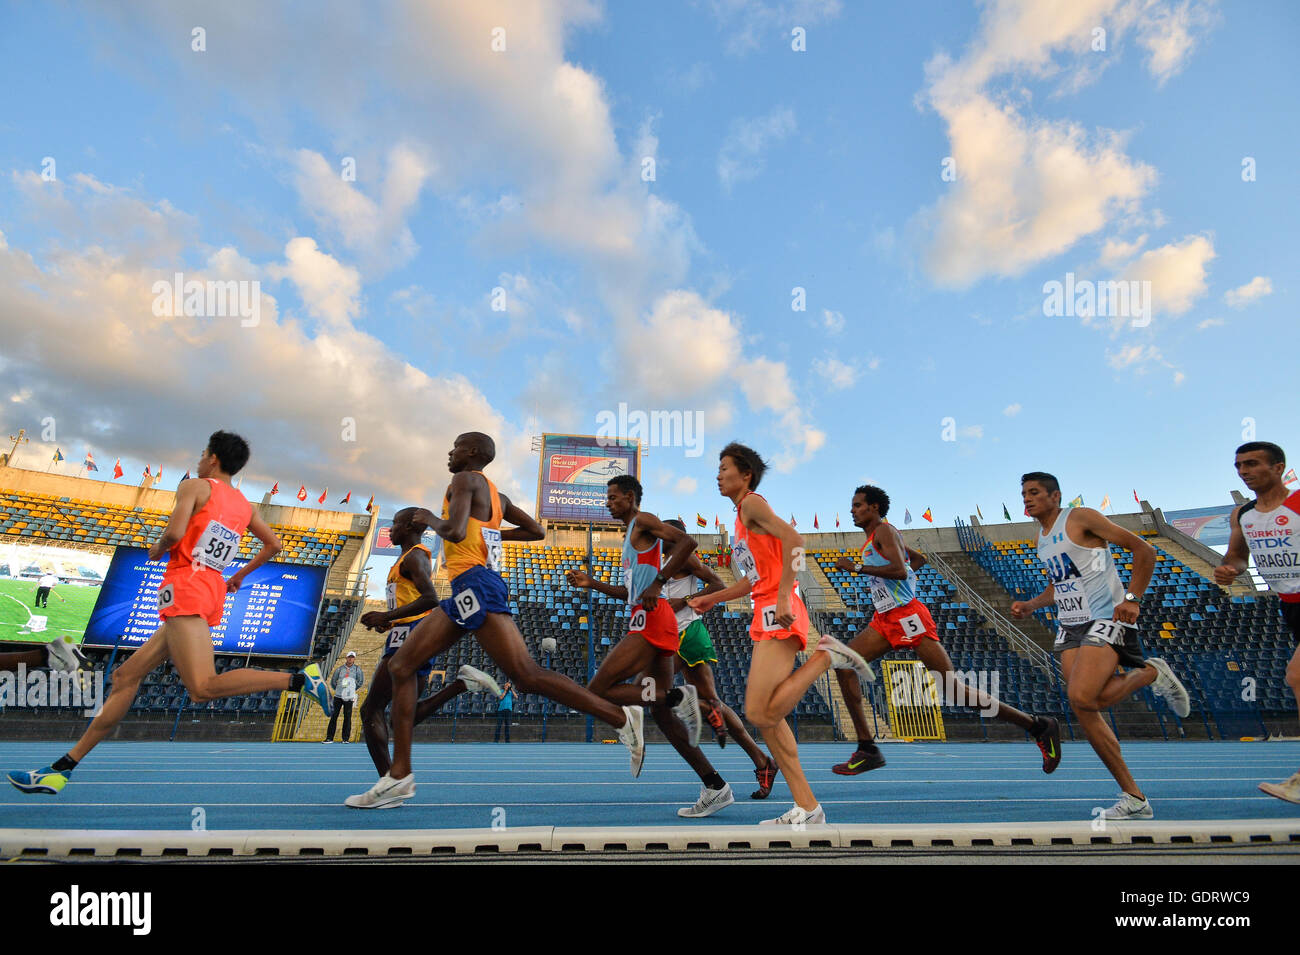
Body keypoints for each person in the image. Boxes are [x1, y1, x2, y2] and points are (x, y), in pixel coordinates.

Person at [8, 431, 332, 795]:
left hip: (185, 587)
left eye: (202, 452)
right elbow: (274, 544)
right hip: (209, 589)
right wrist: (237, 576)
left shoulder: (195, 486)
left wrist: (157, 547)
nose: (199, 458)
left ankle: (298, 680)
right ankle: (61, 769)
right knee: (126, 676)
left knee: (202, 687)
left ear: (212, 458)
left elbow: (176, 532)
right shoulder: (244, 505)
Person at [349, 432, 645, 810]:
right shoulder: (497, 496)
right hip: (473, 586)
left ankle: (619, 716)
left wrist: (430, 519)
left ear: (471, 453)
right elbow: (536, 532)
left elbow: (453, 531)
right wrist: (491, 531)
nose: (449, 452)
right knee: (405, 664)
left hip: (474, 583)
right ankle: (399, 777)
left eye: (455, 446)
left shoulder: (462, 480)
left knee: (526, 674)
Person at [688, 442, 872, 826]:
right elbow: (753, 580)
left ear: (746, 475)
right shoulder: (740, 519)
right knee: (768, 720)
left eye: (724, 468)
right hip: (766, 607)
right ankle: (808, 807)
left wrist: (787, 593)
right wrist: (714, 599)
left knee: (758, 711)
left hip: (778, 609)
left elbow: (796, 542)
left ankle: (826, 656)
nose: (718, 475)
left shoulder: (753, 504)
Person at [829, 485, 1062, 776]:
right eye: (853, 505)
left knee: (952, 689)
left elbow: (901, 570)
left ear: (874, 508)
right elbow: (918, 561)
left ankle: (1038, 725)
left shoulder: (884, 532)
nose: (853, 510)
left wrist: (857, 569)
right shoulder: (876, 539)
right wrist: (892, 576)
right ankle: (868, 748)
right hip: (885, 618)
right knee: (843, 663)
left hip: (907, 615)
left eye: (858, 505)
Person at [1010, 471, 1190, 820]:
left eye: (1034, 493)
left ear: (1055, 496)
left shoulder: (1081, 518)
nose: (1027, 499)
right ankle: (1135, 798)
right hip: (1070, 625)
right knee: (1085, 707)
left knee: (1082, 697)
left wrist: (1133, 598)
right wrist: (1032, 604)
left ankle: (1152, 672)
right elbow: (1059, 586)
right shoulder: (1042, 539)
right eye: (1024, 494)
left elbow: (1144, 549)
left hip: (1106, 617)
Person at [566, 478, 734, 818]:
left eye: (613, 498)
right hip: (649, 616)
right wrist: (592, 583)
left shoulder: (643, 522)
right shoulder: (631, 538)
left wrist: (659, 582)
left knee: (598, 689)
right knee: (659, 714)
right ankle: (715, 786)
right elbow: (632, 593)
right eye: (606, 498)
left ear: (630, 497)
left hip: (651, 620)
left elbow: (686, 542)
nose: (608, 503)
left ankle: (676, 698)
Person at [346, 506, 499, 806]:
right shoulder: (406, 558)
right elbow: (413, 599)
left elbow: (431, 598)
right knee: (407, 715)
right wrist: (388, 621)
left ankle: (389, 783)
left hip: (410, 636)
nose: (390, 529)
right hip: (404, 632)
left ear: (409, 527)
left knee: (371, 711)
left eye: (395, 524)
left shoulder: (415, 556)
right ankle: (461, 684)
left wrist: (388, 615)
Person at [662, 518, 779, 800]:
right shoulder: (663, 560)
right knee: (713, 704)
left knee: (654, 691)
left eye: (662, 532)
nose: (657, 537)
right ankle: (762, 761)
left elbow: (717, 583)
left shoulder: (686, 559)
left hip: (687, 635)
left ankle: (735, 770)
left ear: (674, 535)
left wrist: (687, 600)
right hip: (674, 635)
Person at [1215, 441, 1300, 804]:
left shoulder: (1297, 504)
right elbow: (1237, 558)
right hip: (1290, 606)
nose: (1244, 471)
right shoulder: (1244, 515)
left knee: (1296, 676)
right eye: (1238, 466)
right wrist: (1229, 571)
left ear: (1278, 467)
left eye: (1251, 464)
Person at [324, 651, 366, 743]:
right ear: (346, 658)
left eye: (352, 657)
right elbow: (333, 681)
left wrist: (352, 689)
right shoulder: (339, 669)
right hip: (338, 696)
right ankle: (329, 738)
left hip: (349, 697)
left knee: (347, 717)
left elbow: (360, 681)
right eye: (349, 657)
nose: (350, 659)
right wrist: (339, 689)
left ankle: (345, 738)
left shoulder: (357, 669)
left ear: (354, 659)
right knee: (334, 716)